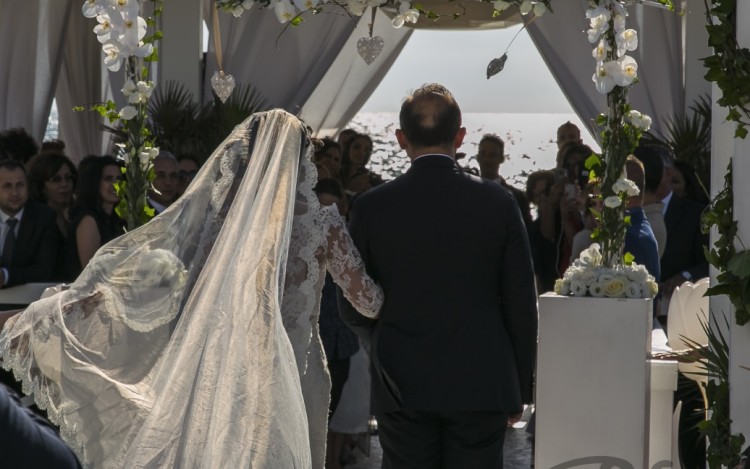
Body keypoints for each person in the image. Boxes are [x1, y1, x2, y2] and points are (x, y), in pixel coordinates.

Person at [0, 110, 383, 468]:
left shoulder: (224, 225)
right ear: (302, 163)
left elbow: (166, 280)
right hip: (294, 362)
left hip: (225, 360)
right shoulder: (323, 224)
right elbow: (367, 301)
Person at [339, 83, 537, 468]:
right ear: (461, 137)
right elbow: (519, 301)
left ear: (400, 139)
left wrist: (384, 334)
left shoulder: (370, 207)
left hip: (400, 380)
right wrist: (521, 385)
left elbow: (351, 303)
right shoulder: (498, 202)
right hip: (481, 380)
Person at [66, 156, 125, 279]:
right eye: (108, 179)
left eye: (119, 179)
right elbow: (90, 272)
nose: (116, 185)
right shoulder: (88, 220)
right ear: (95, 182)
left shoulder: (116, 218)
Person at [476, 133, 532, 227]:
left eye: (492, 155)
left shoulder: (517, 198)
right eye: (483, 154)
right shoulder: (467, 192)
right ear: (478, 157)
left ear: (501, 159)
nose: (486, 159)